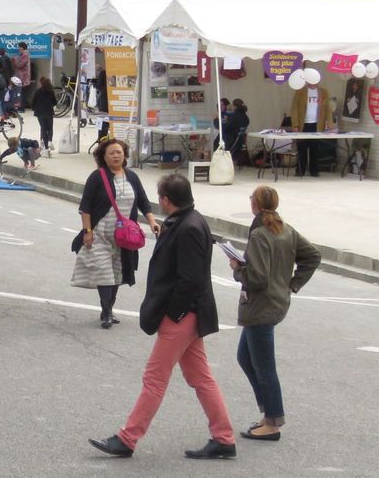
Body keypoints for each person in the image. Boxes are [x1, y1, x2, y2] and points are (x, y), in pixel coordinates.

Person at [89, 174, 236, 460]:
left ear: (166, 200)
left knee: (155, 378)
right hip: (190, 314)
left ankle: (127, 439)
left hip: (182, 315)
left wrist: (173, 313)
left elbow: (189, 280)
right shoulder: (190, 220)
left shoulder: (189, 227)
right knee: (200, 377)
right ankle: (224, 437)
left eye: (161, 197)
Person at [229, 186, 320, 442]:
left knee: (264, 366)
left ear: (255, 205)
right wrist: (291, 283)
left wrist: (237, 268)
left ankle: (273, 421)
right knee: (245, 357)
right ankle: (268, 413)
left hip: (261, 306)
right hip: (275, 302)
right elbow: (313, 256)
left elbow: (256, 278)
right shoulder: (285, 229)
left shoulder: (260, 234)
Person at [71, 137, 160, 328]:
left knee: (117, 275)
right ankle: (107, 312)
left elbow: (144, 202)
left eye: (119, 152)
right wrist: (87, 231)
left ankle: (108, 308)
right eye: (111, 152)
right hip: (100, 235)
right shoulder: (97, 177)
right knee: (105, 275)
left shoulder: (132, 177)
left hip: (124, 238)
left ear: (125, 155)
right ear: (104, 156)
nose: (116, 155)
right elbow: (85, 207)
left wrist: (152, 222)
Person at [290, 78, 332, 177]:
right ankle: (300, 170)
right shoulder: (300, 91)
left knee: (315, 148)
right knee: (302, 148)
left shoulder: (324, 92)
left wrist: (329, 122)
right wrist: (295, 124)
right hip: (303, 124)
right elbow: (294, 107)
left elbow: (328, 108)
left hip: (317, 124)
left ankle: (314, 170)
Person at [31, 76, 58, 150]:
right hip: (49, 112)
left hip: (39, 113)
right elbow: (55, 102)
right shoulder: (51, 92)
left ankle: (46, 147)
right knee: (50, 128)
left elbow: (33, 102)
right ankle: (50, 141)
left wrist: (33, 108)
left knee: (43, 129)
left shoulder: (38, 92)